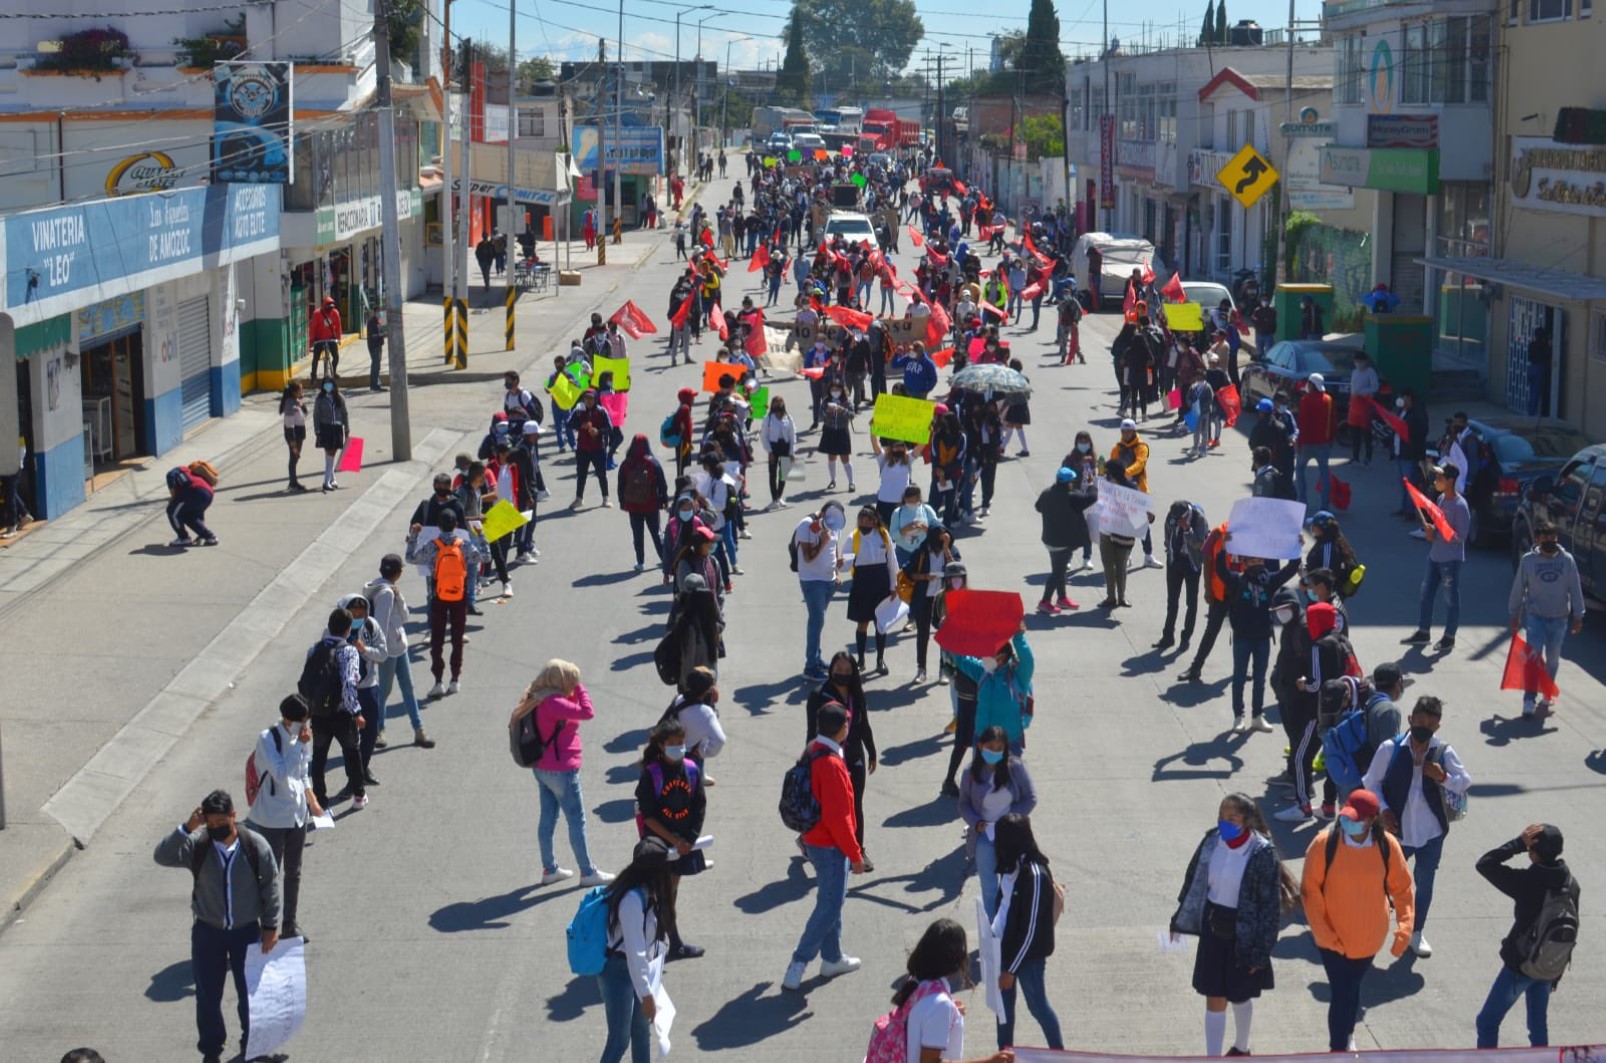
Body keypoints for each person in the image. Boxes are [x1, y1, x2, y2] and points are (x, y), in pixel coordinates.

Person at [152, 789, 281, 1063]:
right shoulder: (198, 845)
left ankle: (253, 1046)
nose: (215, 828)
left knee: (250, 994)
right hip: (207, 933)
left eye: (220, 822)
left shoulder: (254, 845)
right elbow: (162, 856)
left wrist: (270, 926)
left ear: (233, 816)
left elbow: (270, 886)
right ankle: (211, 1050)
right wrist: (188, 827)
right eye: (209, 823)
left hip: (247, 931)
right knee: (208, 995)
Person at [1170, 793, 1299, 1058]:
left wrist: (1261, 951)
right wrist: (1179, 918)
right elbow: (1193, 880)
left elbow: (1269, 909)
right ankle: (1213, 1056)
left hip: (1245, 933)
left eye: (1231, 818)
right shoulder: (1211, 842)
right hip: (1214, 928)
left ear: (1247, 822)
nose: (1223, 823)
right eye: (1221, 817)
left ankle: (1241, 1047)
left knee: (1240, 995)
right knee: (1214, 996)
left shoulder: (1262, 854)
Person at [1300, 789, 1415, 1053]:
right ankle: (1338, 1049)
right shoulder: (1323, 844)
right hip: (1332, 940)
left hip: (1368, 939)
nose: (1347, 821)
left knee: (1350, 989)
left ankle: (1347, 1033)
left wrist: (1405, 928)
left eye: (1356, 818)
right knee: (1343, 992)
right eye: (1346, 816)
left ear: (1372, 820)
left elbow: (1403, 889)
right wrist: (1325, 934)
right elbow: (1309, 891)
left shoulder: (1388, 846)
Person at [1362, 695, 1471, 959]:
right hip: (1396, 832)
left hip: (1431, 833)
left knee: (1425, 883)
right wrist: (1384, 808)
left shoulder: (1443, 752)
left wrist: (1442, 776)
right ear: (1410, 720)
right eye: (1419, 722)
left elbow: (1464, 782)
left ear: (1437, 727)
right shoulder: (1390, 748)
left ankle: (1415, 932)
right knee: (1381, 879)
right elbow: (1371, 783)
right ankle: (1370, 925)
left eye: (1430, 725)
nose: (1423, 728)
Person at [783, 701, 867, 992]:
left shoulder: (813, 749)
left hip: (815, 841)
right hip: (830, 847)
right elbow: (838, 818)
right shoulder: (831, 764)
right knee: (830, 906)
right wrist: (856, 855)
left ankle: (832, 958)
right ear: (842, 729)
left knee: (832, 900)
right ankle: (799, 961)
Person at [510, 660, 614, 889]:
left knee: (548, 818)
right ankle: (588, 872)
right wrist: (580, 688)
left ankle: (550, 869)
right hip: (562, 771)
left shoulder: (536, 696)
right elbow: (588, 712)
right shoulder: (554, 702)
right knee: (577, 821)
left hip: (542, 768)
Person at [1474, 823, 1578, 1048]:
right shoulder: (1570, 884)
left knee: (1487, 1023)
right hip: (1549, 966)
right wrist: (1555, 972)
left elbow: (1485, 864)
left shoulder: (1527, 882)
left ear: (1534, 853)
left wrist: (1518, 844)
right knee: (1538, 1026)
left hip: (1519, 967)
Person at [244, 694, 322, 943]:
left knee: (294, 871)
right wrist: (300, 745)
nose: (305, 727)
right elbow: (279, 772)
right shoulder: (268, 739)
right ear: (289, 719)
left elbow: (303, 770)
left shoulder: (302, 737)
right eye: (302, 722)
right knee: (270, 873)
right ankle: (266, 926)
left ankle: (290, 924)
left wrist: (312, 799)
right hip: (272, 818)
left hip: (297, 815)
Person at [884, 918, 1015, 1063]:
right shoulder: (939, 1006)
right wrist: (988, 1061)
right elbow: (930, 1062)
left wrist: (950, 1011)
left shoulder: (918, 983)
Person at [596, 836, 677, 1063]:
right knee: (619, 1040)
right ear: (654, 872)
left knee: (641, 1034)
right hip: (619, 973)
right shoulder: (632, 900)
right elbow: (635, 953)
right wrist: (647, 995)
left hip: (639, 973)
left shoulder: (646, 890)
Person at [635, 717, 708, 960]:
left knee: (669, 893)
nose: (678, 746)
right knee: (664, 894)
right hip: (660, 846)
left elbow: (699, 806)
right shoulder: (651, 774)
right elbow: (649, 817)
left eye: (681, 742)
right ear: (661, 746)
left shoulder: (691, 769)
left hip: (682, 845)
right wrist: (674, 841)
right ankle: (668, 943)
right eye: (673, 743)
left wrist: (689, 838)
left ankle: (660, 941)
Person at [990, 814, 1064, 1052]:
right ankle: (1004, 1053)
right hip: (1002, 947)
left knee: (1038, 1007)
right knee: (1003, 1010)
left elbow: (1031, 930)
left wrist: (1011, 969)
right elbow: (1003, 907)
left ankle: (1059, 1054)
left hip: (1026, 958)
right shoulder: (1011, 866)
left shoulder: (1035, 875)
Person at [1217, 541, 1301, 733]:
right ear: (1245, 564)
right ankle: (1239, 716)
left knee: (1260, 679)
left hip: (1263, 637)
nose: (1256, 563)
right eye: (1252, 560)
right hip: (1242, 638)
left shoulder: (1269, 580)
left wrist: (1296, 547)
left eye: (1259, 559)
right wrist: (1223, 548)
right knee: (1239, 677)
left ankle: (1257, 716)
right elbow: (1220, 570)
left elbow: (1291, 569)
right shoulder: (1237, 580)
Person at [1507, 519, 1586, 718]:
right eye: (1545, 538)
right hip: (1535, 617)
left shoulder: (1566, 560)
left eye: (1553, 538)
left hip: (1559, 618)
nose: (1550, 541)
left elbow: (1575, 587)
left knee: (1552, 659)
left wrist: (1578, 615)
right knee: (1534, 658)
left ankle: (1547, 690)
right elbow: (1519, 589)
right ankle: (1529, 699)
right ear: (1537, 539)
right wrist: (1515, 614)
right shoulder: (1528, 560)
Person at [806, 655, 878, 868]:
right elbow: (812, 731)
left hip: (854, 757)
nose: (843, 674)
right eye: (839, 669)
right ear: (831, 670)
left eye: (848, 670)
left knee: (855, 805)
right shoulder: (819, 695)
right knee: (826, 806)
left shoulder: (857, 694)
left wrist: (872, 751)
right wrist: (809, 761)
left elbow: (864, 724)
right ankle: (808, 840)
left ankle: (859, 850)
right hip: (828, 761)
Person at [958, 727, 1038, 919]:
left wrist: (1010, 820)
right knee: (989, 888)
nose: (994, 752)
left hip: (1012, 836)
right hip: (984, 836)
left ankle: (1011, 927)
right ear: (980, 746)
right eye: (990, 747)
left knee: (1011, 885)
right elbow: (963, 803)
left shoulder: (1015, 768)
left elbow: (1030, 798)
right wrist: (976, 822)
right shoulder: (971, 772)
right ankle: (993, 934)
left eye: (998, 748)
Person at [405, 509, 485, 697]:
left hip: (438, 597)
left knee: (437, 641)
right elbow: (484, 556)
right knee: (457, 639)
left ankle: (438, 681)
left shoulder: (433, 545)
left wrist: (414, 536)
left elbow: (410, 558)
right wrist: (481, 536)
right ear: (456, 525)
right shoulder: (463, 544)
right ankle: (455, 679)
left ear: (439, 526)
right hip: (459, 597)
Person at [300, 607, 368, 810]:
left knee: (319, 756)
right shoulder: (348, 651)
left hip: (318, 713)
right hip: (342, 714)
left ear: (329, 627)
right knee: (352, 752)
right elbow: (349, 683)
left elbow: (307, 683)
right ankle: (358, 795)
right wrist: (356, 711)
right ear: (348, 630)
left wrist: (306, 715)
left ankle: (320, 800)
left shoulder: (314, 649)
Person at [365, 553, 434, 749]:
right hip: (389, 649)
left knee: (407, 688)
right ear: (399, 573)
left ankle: (418, 729)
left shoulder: (375, 588)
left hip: (398, 647)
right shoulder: (386, 593)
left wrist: (399, 596)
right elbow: (387, 622)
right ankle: (379, 730)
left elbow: (400, 617)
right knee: (385, 691)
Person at [1401, 463, 1471, 653]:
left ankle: (1449, 637)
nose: (1436, 481)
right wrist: (1430, 530)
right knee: (1426, 595)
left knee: (1450, 599)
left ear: (1450, 480)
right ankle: (1424, 632)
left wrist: (1438, 534)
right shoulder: (1440, 499)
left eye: (1440, 478)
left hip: (1450, 561)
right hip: (1435, 557)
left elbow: (1460, 537)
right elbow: (1437, 524)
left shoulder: (1460, 505)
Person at [953, 630, 1034, 756]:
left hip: (1009, 741)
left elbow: (1028, 661)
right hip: (982, 740)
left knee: (1009, 775)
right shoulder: (982, 671)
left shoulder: (1018, 676)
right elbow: (960, 658)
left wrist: (1018, 637)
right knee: (979, 775)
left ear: (1001, 657)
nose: (983, 657)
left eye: (987, 654)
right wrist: (952, 632)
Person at [339, 593, 389, 786]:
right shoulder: (335, 628)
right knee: (349, 736)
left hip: (369, 688)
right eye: (354, 613)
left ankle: (363, 768)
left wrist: (365, 649)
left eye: (362, 613)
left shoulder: (371, 626)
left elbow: (383, 654)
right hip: (346, 690)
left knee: (370, 732)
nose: (358, 618)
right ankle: (353, 779)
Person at [844, 507, 899, 675]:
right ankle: (861, 660)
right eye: (861, 520)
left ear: (875, 521)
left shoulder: (883, 535)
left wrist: (893, 586)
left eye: (867, 520)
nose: (863, 524)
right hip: (862, 582)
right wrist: (840, 562)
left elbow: (892, 562)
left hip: (881, 582)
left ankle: (880, 660)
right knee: (863, 623)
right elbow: (846, 565)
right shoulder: (852, 538)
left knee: (880, 624)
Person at [794, 501, 845, 681]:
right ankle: (809, 667)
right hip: (812, 581)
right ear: (823, 512)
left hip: (829, 580)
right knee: (816, 621)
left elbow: (834, 546)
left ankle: (816, 658)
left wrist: (837, 570)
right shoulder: (806, 525)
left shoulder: (834, 525)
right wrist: (822, 542)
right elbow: (807, 558)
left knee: (819, 621)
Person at [1033, 466, 1093, 614]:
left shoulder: (1047, 493)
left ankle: (1062, 598)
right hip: (1062, 542)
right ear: (1068, 483)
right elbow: (1092, 498)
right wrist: (1092, 486)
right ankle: (1045, 601)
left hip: (1049, 539)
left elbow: (1038, 507)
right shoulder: (1071, 497)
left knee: (1059, 569)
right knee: (1057, 573)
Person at [907, 524, 959, 684]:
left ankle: (944, 669)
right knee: (922, 634)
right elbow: (909, 573)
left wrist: (946, 549)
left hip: (943, 599)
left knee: (945, 634)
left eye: (945, 536)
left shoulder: (951, 550)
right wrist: (925, 577)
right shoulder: (921, 552)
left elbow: (956, 569)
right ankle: (921, 669)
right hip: (925, 597)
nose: (943, 539)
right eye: (939, 536)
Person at [1154, 499, 1208, 651]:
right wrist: (1170, 549)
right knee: (1172, 600)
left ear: (1186, 515)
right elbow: (1167, 533)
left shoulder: (1199, 520)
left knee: (1191, 602)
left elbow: (1200, 544)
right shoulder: (1172, 517)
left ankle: (1186, 636)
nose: (1176, 522)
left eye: (1179, 520)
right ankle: (1167, 636)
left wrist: (1187, 530)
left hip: (1192, 562)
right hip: (1175, 560)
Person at [1111, 418, 1161, 567]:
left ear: (1133, 431)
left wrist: (1124, 472)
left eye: (1128, 431)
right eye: (1123, 431)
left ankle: (1148, 555)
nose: (1125, 434)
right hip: (1122, 492)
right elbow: (1113, 465)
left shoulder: (1141, 447)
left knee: (1142, 524)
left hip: (1138, 491)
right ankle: (1127, 556)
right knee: (1124, 525)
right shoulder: (1117, 448)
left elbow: (1139, 464)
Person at [617, 435, 669, 573]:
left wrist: (622, 503)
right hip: (651, 505)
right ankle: (665, 560)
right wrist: (664, 500)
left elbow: (621, 485)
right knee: (657, 533)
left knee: (637, 535)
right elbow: (662, 484)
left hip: (633, 506)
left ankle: (640, 562)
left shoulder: (626, 464)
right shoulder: (653, 463)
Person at [1096, 462, 1140, 608]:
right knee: (1108, 565)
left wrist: (1146, 519)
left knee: (1121, 565)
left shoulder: (1131, 489)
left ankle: (1121, 597)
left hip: (1122, 533)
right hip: (1105, 531)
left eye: (1110, 475)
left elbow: (1139, 511)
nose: (1108, 478)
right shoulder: (1103, 486)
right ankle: (1110, 597)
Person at [569, 389, 616, 509]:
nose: (588, 401)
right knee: (581, 474)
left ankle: (605, 498)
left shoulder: (601, 411)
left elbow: (610, 428)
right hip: (582, 448)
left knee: (601, 474)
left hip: (598, 448)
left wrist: (598, 432)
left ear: (595, 399)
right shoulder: (579, 411)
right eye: (586, 398)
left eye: (591, 398)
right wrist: (580, 425)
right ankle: (579, 498)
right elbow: (569, 424)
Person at [1296, 373, 1336, 511]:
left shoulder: (1305, 400)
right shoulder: (1329, 400)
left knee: (1300, 469)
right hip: (1323, 443)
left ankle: (1302, 501)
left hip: (1307, 444)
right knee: (1324, 473)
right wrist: (1331, 440)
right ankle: (1325, 506)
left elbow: (1303, 424)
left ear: (1312, 385)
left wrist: (1299, 443)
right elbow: (1333, 422)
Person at [1390, 389, 1431, 516]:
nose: (1402, 400)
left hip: (1410, 454)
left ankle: (1411, 510)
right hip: (1399, 452)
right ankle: (1404, 507)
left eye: (1404, 397)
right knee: (1403, 483)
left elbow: (1421, 431)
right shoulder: (1401, 411)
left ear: (1409, 399)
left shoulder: (1417, 414)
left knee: (1410, 484)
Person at [166, 462, 218, 547]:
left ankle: (183, 538)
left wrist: (172, 499)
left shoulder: (177, 471)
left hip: (194, 491)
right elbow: (199, 516)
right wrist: (200, 533)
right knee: (190, 516)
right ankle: (210, 537)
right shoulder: (194, 477)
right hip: (209, 494)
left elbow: (170, 477)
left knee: (172, 511)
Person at [760, 395, 797, 510]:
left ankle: (779, 496)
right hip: (774, 447)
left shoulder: (788, 417)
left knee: (783, 474)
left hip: (785, 447)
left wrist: (792, 452)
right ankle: (774, 499)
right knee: (772, 474)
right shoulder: (768, 418)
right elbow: (763, 436)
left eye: (780, 402)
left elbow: (792, 435)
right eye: (776, 402)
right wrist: (769, 451)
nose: (778, 404)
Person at [312, 378, 349, 492]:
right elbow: (316, 416)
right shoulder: (320, 399)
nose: (328, 387)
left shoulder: (340, 397)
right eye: (325, 385)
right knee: (330, 454)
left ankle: (332, 479)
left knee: (331, 454)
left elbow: (344, 414)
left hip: (336, 428)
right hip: (325, 428)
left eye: (330, 384)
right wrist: (317, 431)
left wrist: (347, 428)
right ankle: (326, 481)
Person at [1348, 353, 1380, 465]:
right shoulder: (1354, 372)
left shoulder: (1370, 372)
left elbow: (1375, 387)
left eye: (1360, 361)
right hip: (1354, 404)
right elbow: (1353, 387)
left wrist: (1363, 392)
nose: (1358, 364)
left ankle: (1368, 457)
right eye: (1356, 362)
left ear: (1365, 361)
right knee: (1354, 433)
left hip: (1365, 403)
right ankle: (1355, 457)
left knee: (1366, 434)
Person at [279, 381, 309, 492]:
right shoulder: (290, 406)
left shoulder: (296, 402)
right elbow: (289, 426)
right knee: (293, 458)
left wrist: (302, 405)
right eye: (301, 390)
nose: (302, 391)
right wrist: (293, 444)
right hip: (294, 436)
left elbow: (305, 414)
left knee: (295, 458)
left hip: (299, 435)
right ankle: (293, 483)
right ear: (295, 392)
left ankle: (293, 482)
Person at [309, 295, 342, 384]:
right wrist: (312, 340)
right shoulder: (317, 314)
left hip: (331, 339)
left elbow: (338, 327)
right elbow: (313, 328)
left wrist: (338, 339)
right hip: (319, 339)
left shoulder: (335, 313)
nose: (330, 309)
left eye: (331, 307)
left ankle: (334, 372)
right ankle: (313, 376)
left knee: (336, 356)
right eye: (328, 307)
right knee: (315, 358)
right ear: (324, 306)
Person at [1526, 326, 1552, 416]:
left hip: (1531, 368)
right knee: (1536, 393)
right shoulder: (1544, 346)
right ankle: (1532, 414)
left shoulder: (1531, 344)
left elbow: (1529, 357)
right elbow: (1547, 357)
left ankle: (1530, 412)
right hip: (1539, 369)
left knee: (1532, 392)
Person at [365, 308, 385, 391]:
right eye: (377, 312)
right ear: (374, 313)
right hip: (374, 346)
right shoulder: (371, 322)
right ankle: (374, 384)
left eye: (380, 312)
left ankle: (376, 383)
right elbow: (372, 335)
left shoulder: (380, 321)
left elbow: (382, 331)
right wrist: (381, 335)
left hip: (379, 345)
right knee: (375, 365)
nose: (379, 314)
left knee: (377, 365)